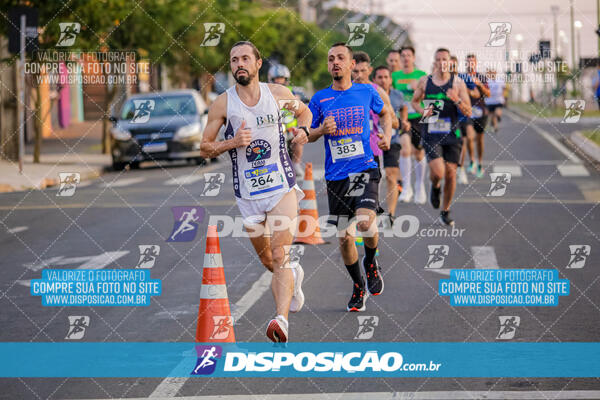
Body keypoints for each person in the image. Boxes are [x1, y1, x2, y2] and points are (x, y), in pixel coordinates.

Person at [200, 41, 312, 342]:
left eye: (245, 58)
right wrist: (232, 142)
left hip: (281, 187)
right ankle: (294, 277)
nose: (239, 64)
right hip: (248, 194)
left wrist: (302, 131)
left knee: (279, 255)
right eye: (234, 60)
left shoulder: (278, 94)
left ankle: (281, 320)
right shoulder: (223, 104)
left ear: (258, 63)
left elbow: (305, 114)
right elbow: (204, 147)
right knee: (267, 262)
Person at [308, 42, 393, 311]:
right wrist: (321, 129)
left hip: (364, 168)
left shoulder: (367, 91)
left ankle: (371, 261)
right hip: (336, 177)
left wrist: (387, 135)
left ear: (351, 64)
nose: (335, 62)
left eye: (340, 58)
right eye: (331, 59)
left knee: (366, 222)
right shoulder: (319, 98)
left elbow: (386, 113)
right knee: (345, 237)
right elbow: (306, 133)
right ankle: (358, 286)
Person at [412, 48, 472, 226]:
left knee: (451, 174)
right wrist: (423, 111)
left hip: (452, 134)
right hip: (432, 133)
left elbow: (468, 111)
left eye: (444, 59)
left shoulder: (458, 84)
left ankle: (445, 210)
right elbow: (414, 101)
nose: (441, 63)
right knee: (438, 172)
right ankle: (435, 186)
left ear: (450, 62)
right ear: (434, 62)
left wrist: (457, 99)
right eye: (438, 59)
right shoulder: (425, 81)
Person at [373, 65, 410, 226]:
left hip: (392, 139)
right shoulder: (369, 94)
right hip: (373, 140)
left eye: (386, 77)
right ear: (374, 79)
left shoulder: (397, 95)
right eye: (379, 77)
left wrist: (404, 122)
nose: (383, 80)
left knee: (390, 174)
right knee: (374, 177)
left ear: (390, 79)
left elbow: (403, 108)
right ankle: (372, 206)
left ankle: (391, 213)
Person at [392, 46, 428, 204]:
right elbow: (391, 95)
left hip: (419, 116)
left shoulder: (421, 75)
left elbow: (429, 95)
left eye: (409, 55)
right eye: (403, 56)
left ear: (413, 58)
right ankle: (407, 188)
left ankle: (419, 186)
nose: (406, 58)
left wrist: (418, 89)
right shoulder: (395, 76)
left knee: (419, 154)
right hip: (403, 118)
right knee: (405, 150)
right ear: (400, 59)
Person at [268, 63, 305, 179]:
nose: (279, 81)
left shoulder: (292, 91)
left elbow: (301, 100)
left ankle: (296, 164)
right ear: (271, 79)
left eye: (281, 78)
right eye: (277, 79)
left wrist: (300, 99)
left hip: (291, 126)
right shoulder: (268, 92)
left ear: (286, 79)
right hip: (274, 127)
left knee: (299, 140)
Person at [461, 54, 490, 178]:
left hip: (481, 112)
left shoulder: (481, 77)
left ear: (476, 63)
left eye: (472, 62)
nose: (470, 64)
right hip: (467, 112)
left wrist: (480, 85)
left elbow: (488, 94)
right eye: (467, 62)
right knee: (469, 136)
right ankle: (472, 160)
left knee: (479, 139)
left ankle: (479, 162)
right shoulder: (461, 77)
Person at [485, 69, 506, 133]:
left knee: (497, 113)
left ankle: (498, 117)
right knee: (492, 115)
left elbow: (504, 88)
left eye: (493, 73)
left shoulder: (500, 80)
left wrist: (503, 96)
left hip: (498, 100)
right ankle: (495, 127)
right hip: (489, 101)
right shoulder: (487, 81)